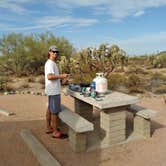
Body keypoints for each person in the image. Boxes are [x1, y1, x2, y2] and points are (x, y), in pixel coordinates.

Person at [44, 45, 69, 138]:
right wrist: (62, 76)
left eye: (56, 52)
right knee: (54, 112)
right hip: (53, 91)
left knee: (50, 108)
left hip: (51, 90)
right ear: (49, 52)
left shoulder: (51, 63)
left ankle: (48, 127)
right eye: (53, 51)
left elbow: (53, 78)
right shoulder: (50, 63)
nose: (55, 53)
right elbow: (49, 77)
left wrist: (61, 80)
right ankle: (55, 132)